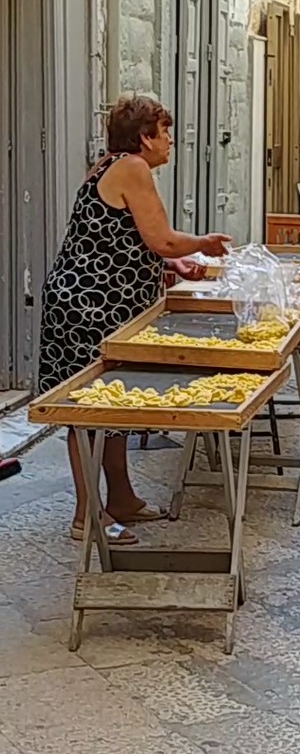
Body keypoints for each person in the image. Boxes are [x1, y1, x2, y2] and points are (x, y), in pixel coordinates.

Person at [38, 94, 231, 545]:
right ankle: (88, 514)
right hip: (89, 307)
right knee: (87, 410)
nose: (170, 142)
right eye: (165, 133)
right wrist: (201, 244)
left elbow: (122, 239)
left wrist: (171, 266)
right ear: (145, 137)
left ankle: (121, 497)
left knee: (114, 403)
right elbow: (161, 239)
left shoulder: (112, 166)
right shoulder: (132, 167)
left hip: (95, 303)